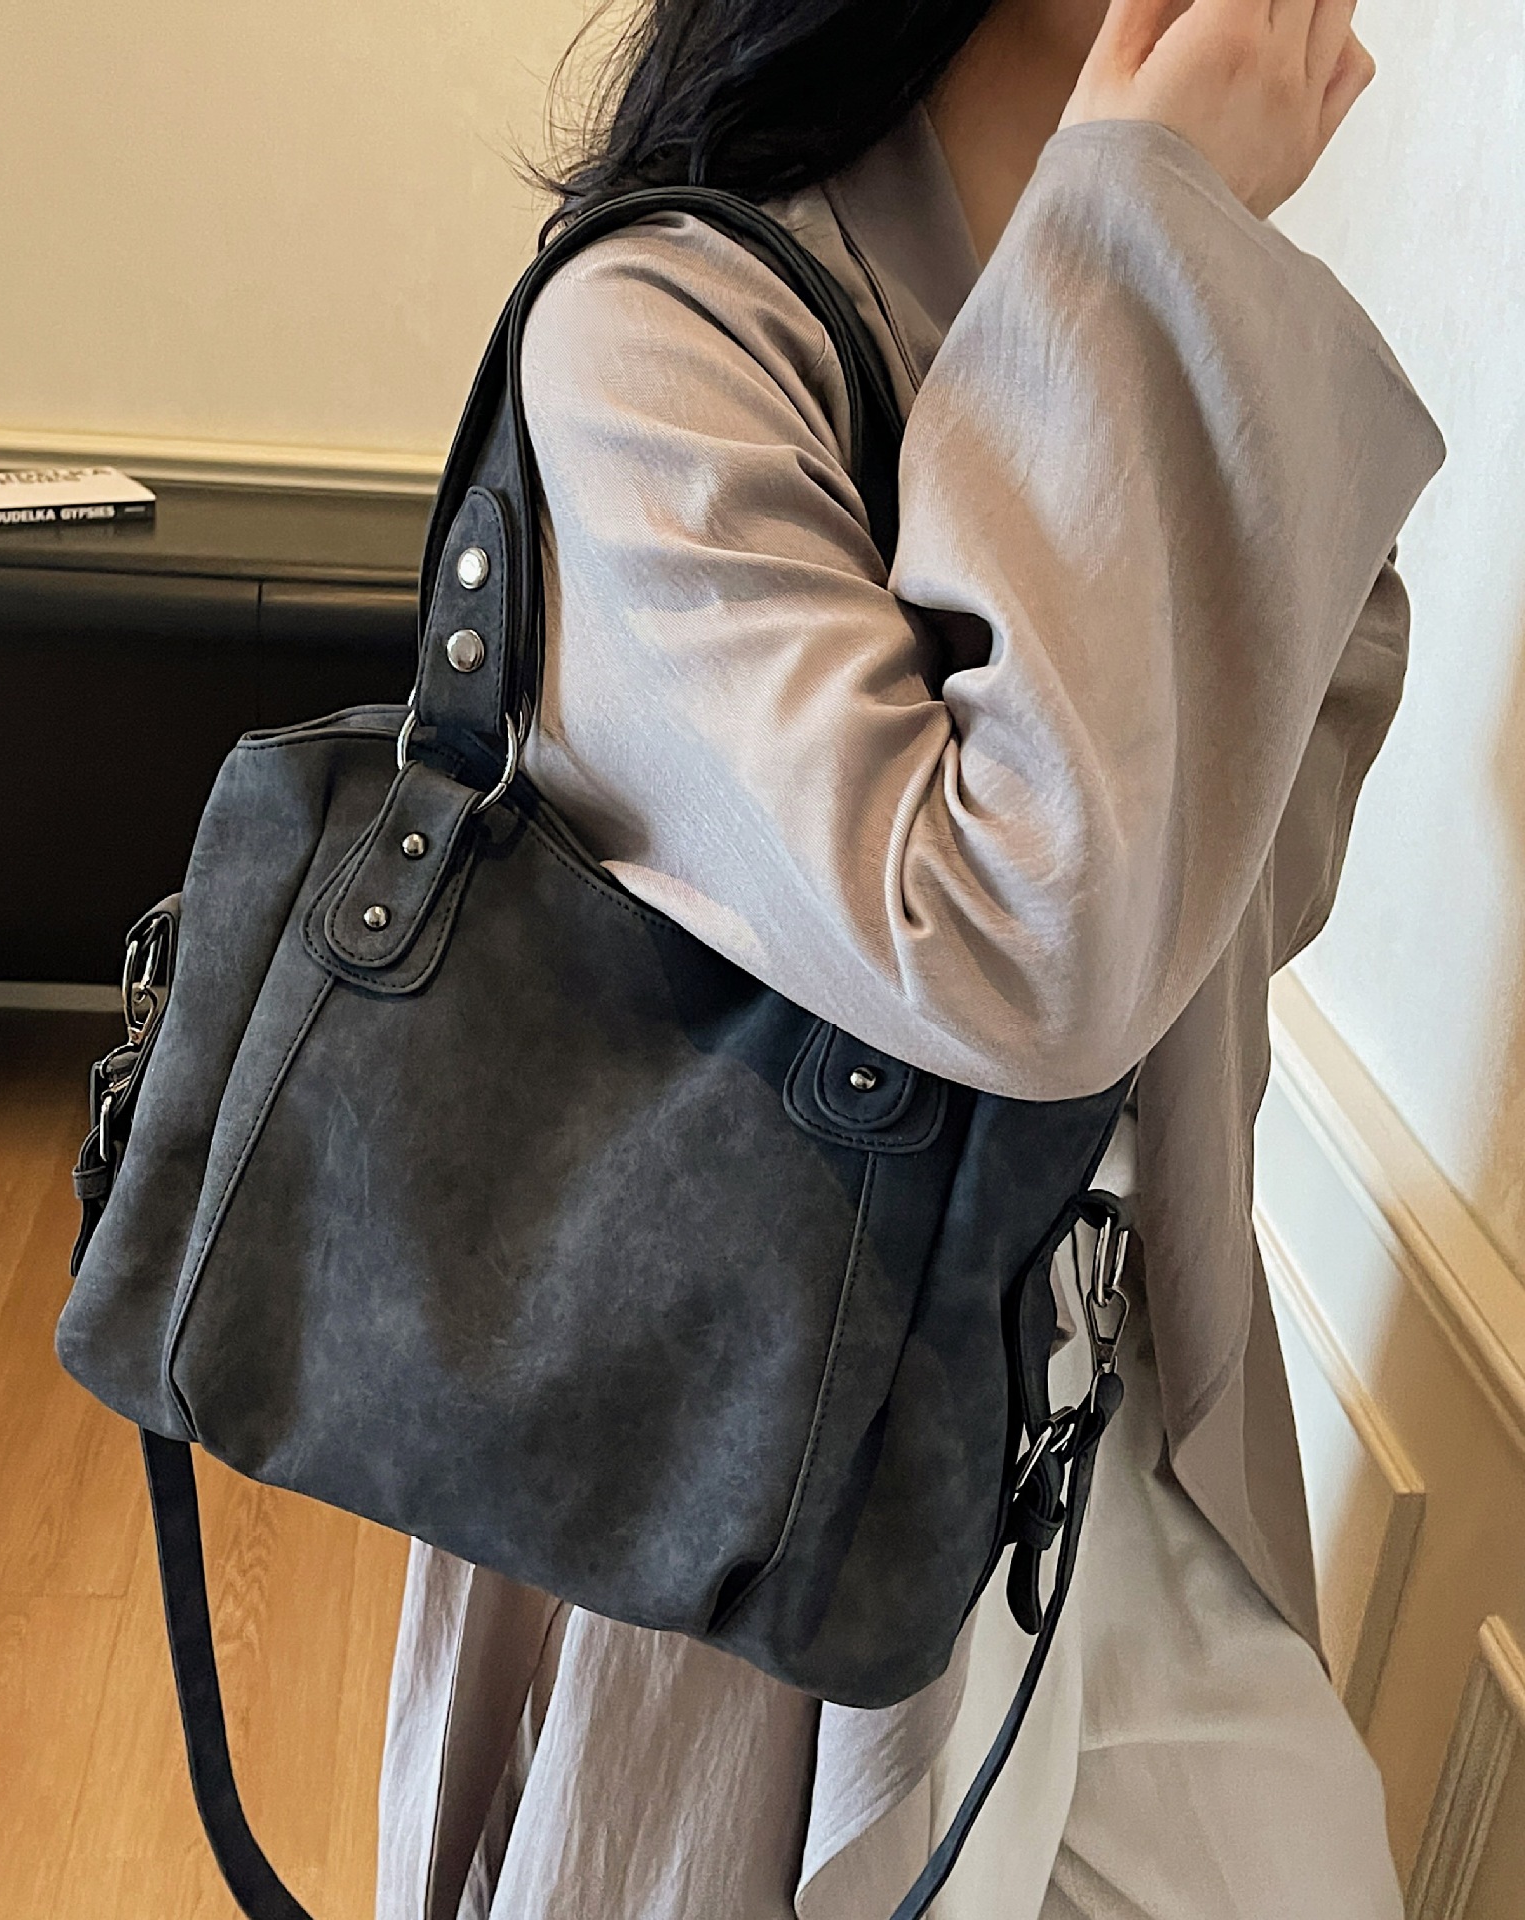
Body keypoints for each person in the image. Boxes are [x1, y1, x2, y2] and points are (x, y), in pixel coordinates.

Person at [376, 1, 1445, 1914]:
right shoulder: (667, 328)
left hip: (1127, 1422)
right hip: (760, 1477)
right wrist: (1146, 243)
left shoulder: (1173, 287)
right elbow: (1005, 948)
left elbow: (1237, 905)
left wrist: (1173, 268)